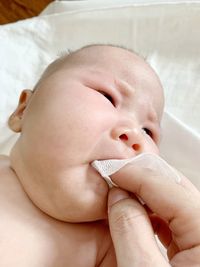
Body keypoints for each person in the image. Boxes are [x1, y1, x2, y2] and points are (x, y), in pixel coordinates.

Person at [0, 44, 199, 266]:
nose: (135, 135)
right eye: (107, 97)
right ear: (23, 110)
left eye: (148, 132)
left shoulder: (118, 244)